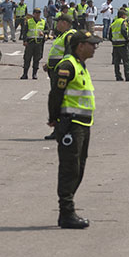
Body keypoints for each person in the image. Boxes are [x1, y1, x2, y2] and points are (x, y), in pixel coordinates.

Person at [47, 30, 101, 229]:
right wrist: (54, 118)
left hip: (83, 124)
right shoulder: (67, 65)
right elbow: (55, 94)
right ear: (80, 46)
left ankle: (68, 210)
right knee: (69, 169)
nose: (95, 47)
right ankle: (66, 213)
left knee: (79, 168)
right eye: (91, 44)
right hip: (71, 124)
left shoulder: (80, 65)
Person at [110, 9, 129, 82]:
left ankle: (118, 76)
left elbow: (110, 34)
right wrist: (127, 39)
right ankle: (128, 76)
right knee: (127, 60)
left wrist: (113, 40)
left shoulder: (114, 22)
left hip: (115, 44)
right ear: (123, 15)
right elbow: (123, 30)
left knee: (116, 62)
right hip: (122, 44)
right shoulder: (123, 22)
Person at [20, 8, 46, 80]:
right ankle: (25, 74)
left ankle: (34, 74)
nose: (38, 14)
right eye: (36, 13)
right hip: (30, 42)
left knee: (37, 59)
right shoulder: (29, 21)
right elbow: (24, 31)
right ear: (34, 13)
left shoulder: (43, 22)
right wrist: (24, 41)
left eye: (39, 13)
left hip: (39, 43)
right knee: (27, 59)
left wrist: (44, 34)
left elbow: (47, 30)